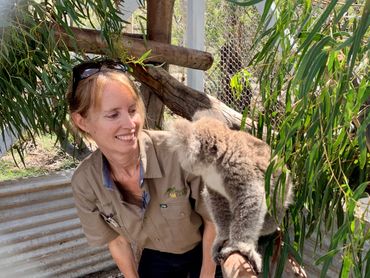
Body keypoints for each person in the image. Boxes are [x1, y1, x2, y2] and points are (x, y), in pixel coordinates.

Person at [66, 59, 224, 278]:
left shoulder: (177, 151)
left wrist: (207, 274)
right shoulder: (85, 183)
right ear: (82, 121)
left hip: (207, 246)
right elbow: (116, 240)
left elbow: (212, 219)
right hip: (156, 253)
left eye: (132, 110)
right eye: (113, 114)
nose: (130, 124)